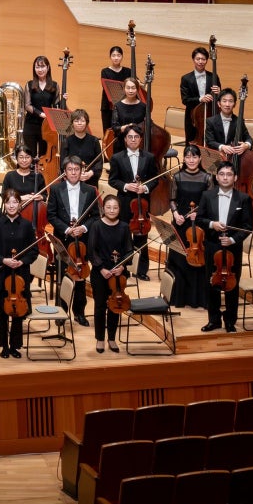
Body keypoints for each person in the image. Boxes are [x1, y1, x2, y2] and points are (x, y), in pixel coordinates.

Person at [198, 161, 253, 333]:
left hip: (232, 249)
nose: (225, 177)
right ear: (217, 176)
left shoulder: (243, 199)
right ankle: (213, 320)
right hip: (212, 246)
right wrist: (212, 224)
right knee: (211, 283)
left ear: (235, 177)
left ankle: (230, 320)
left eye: (229, 174)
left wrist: (232, 240)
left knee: (232, 285)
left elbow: (247, 227)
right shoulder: (207, 195)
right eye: (222, 174)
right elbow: (200, 219)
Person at [0, 188, 39, 359]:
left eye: (15, 202)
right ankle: (3, 346)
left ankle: (15, 346)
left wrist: (22, 261)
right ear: (4, 203)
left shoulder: (26, 225)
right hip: (2, 273)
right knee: (2, 311)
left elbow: (34, 251)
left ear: (19, 204)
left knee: (18, 311)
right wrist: (4, 260)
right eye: (8, 202)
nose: (11, 205)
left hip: (21, 274)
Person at [51, 155, 98, 325]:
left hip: (83, 241)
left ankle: (79, 312)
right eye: (70, 170)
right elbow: (52, 215)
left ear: (81, 171)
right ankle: (61, 311)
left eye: (76, 170)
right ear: (64, 172)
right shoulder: (56, 190)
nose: (73, 173)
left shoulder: (90, 190)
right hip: (63, 239)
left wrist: (83, 228)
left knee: (80, 277)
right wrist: (67, 228)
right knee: (63, 275)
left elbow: (96, 216)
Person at [165, 145, 212, 316]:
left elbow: (209, 202)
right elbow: (172, 199)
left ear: (200, 159)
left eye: (194, 157)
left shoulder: (207, 178)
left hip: (198, 226)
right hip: (181, 222)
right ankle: (179, 298)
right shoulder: (177, 177)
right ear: (184, 159)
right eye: (188, 157)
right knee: (179, 259)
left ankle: (198, 298)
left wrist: (198, 214)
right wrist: (176, 213)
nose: (191, 160)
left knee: (198, 261)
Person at [107, 126, 158, 280]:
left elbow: (155, 178)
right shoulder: (117, 158)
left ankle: (141, 269)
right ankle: (124, 267)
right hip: (123, 202)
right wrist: (125, 186)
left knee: (141, 236)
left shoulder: (149, 157)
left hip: (142, 203)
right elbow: (112, 180)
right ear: (125, 139)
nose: (133, 140)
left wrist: (146, 188)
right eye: (130, 137)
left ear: (141, 139)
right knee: (123, 236)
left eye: (136, 137)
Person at [87, 193, 133, 353]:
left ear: (119, 209)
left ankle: (112, 338)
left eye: (115, 207)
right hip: (101, 272)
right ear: (103, 209)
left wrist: (122, 266)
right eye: (108, 207)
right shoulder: (96, 226)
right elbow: (91, 252)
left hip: (119, 274)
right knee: (100, 306)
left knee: (116, 305)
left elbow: (129, 251)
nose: (112, 210)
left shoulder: (125, 227)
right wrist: (101, 269)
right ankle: (100, 338)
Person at [179, 47, 221, 148]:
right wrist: (200, 99)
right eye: (198, 59)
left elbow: (220, 100)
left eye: (203, 59)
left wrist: (220, 93)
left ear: (207, 60)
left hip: (211, 115)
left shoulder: (214, 77)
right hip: (193, 117)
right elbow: (185, 100)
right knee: (192, 144)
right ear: (193, 59)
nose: (200, 62)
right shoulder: (186, 78)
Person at [24, 55, 62, 166]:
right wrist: (40, 114)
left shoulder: (54, 85)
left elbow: (56, 105)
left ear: (48, 67)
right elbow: (27, 105)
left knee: (44, 155)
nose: (40, 70)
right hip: (31, 124)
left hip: (46, 126)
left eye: (42, 67)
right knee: (29, 154)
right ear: (34, 69)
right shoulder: (29, 84)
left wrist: (63, 100)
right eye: (37, 67)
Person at [204, 87, 253, 161]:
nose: (227, 104)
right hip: (216, 157)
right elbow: (210, 141)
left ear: (234, 104)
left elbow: (249, 139)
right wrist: (222, 147)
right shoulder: (210, 121)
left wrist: (246, 145)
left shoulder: (239, 121)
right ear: (219, 104)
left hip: (234, 158)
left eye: (230, 101)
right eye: (224, 101)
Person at [60, 110, 104, 186]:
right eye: (76, 121)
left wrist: (90, 173)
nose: (79, 123)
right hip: (72, 180)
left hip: (90, 180)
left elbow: (99, 162)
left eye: (82, 121)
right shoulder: (67, 141)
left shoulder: (94, 140)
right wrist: (76, 175)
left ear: (87, 123)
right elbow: (63, 163)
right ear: (72, 123)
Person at [99, 44, 133, 136]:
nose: (116, 58)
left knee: (123, 132)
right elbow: (107, 88)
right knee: (108, 132)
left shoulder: (128, 71)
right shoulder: (105, 71)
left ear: (122, 57)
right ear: (110, 57)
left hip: (124, 107)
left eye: (118, 55)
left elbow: (135, 83)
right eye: (113, 55)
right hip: (108, 106)